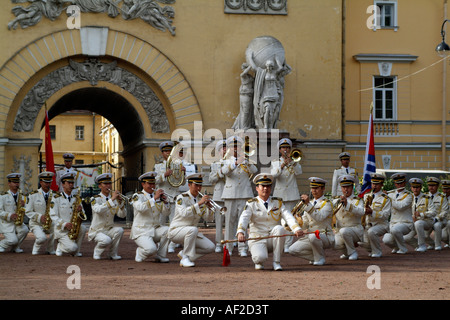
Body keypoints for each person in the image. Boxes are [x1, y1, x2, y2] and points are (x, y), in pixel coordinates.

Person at [237, 173, 302, 270]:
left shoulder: (277, 202)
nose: (265, 189)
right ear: (257, 188)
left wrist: (296, 228)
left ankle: (276, 262)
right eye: (263, 186)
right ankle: (260, 260)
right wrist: (241, 232)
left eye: (268, 186)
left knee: (280, 229)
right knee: (260, 258)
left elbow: (288, 216)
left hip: (272, 237)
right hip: (257, 238)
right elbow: (244, 218)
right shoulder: (251, 203)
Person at [168, 173, 215, 267]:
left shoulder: (199, 199)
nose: (198, 188)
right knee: (193, 229)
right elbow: (183, 213)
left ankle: (184, 254)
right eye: (196, 185)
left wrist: (209, 208)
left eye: (200, 185)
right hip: (176, 230)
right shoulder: (181, 197)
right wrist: (199, 204)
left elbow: (208, 219)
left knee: (210, 247)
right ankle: (185, 258)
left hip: (190, 232)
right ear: (189, 185)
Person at [221, 135, 258, 256]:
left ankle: (242, 248)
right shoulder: (225, 161)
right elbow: (224, 172)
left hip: (244, 194)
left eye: (237, 146)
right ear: (229, 148)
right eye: (232, 147)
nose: (235, 149)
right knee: (229, 222)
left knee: (243, 222)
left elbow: (254, 171)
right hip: (230, 194)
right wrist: (236, 162)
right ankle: (229, 246)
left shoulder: (246, 159)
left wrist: (247, 161)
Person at [288, 177, 334, 266]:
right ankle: (317, 257)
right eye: (312, 188)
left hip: (325, 235)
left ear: (323, 188)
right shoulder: (310, 203)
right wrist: (298, 223)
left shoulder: (327, 203)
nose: (314, 191)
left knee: (313, 236)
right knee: (292, 250)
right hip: (311, 235)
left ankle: (319, 258)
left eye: (316, 188)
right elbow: (305, 223)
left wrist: (308, 204)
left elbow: (319, 217)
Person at [270, 138, 302, 252]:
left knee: (291, 219)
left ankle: (287, 245)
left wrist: (293, 162)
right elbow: (274, 175)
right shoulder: (275, 162)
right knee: (279, 220)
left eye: (288, 148)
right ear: (279, 150)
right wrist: (283, 164)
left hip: (292, 194)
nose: (286, 150)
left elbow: (299, 172)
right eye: (283, 148)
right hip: (280, 194)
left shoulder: (294, 161)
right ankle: (279, 242)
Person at [130, 171, 170, 263]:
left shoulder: (157, 197)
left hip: (154, 229)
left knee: (168, 230)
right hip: (141, 231)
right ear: (143, 184)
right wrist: (154, 199)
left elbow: (166, 213)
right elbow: (141, 208)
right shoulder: (137, 196)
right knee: (151, 250)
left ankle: (160, 256)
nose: (152, 185)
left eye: (153, 183)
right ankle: (140, 252)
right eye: (149, 183)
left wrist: (166, 202)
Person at [88, 173, 127, 260]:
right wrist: (112, 199)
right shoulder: (95, 198)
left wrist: (121, 204)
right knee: (106, 240)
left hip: (108, 229)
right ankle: (97, 252)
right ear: (99, 186)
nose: (108, 186)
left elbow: (122, 215)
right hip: (97, 230)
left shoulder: (114, 199)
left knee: (120, 230)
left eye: (109, 183)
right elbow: (98, 210)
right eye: (105, 184)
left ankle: (112, 254)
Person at [154, 141, 182, 252]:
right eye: (166, 151)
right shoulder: (158, 166)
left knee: (174, 223)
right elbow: (154, 181)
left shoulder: (177, 165)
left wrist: (182, 173)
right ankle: (160, 244)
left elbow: (182, 183)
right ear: (162, 153)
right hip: (163, 197)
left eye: (170, 151)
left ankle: (171, 244)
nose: (168, 153)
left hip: (174, 196)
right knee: (160, 222)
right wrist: (163, 175)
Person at [50, 172, 86, 257]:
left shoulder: (76, 198)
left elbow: (83, 215)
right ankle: (60, 246)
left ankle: (76, 251)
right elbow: (53, 215)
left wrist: (80, 211)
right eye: (68, 183)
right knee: (72, 248)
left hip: (73, 228)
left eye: (72, 183)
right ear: (63, 184)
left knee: (83, 228)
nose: (71, 185)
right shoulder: (56, 198)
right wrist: (64, 224)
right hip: (61, 230)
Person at [358, 173, 391, 258]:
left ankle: (377, 251)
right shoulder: (366, 196)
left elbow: (386, 215)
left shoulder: (385, 198)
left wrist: (372, 212)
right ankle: (372, 249)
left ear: (381, 185)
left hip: (381, 224)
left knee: (372, 232)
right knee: (359, 241)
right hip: (368, 224)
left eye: (377, 184)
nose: (374, 186)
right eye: (373, 183)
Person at [25, 171, 58, 255]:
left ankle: (50, 249)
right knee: (42, 238)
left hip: (50, 222)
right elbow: (28, 211)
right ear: (41, 182)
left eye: (49, 182)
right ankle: (36, 248)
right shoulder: (33, 195)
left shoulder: (55, 195)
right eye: (46, 182)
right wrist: (40, 217)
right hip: (36, 223)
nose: (48, 184)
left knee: (57, 229)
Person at [332, 175, 364, 260]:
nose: (345, 189)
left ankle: (353, 252)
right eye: (343, 187)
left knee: (344, 231)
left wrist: (347, 204)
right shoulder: (336, 200)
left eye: (348, 187)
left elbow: (361, 212)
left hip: (355, 230)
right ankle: (346, 253)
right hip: (341, 230)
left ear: (352, 187)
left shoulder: (358, 200)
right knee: (332, 242)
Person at [382, 173, 416, 254]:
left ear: (405, 183)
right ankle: (396, 247)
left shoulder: (409, 195)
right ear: (395, 184)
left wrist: (388, 198)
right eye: (397, 183)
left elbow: (400, 206)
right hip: (393, 223)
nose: (399, 185)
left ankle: (403, 248)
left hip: (406, 223)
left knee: (395, 230)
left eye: (401, 183)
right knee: (386, 240)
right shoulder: (391, 194)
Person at [0, 173, 29, 253]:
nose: (17, 184)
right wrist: (10, 215)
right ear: (9, 183)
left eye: (17, 182)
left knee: (25, 230)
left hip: (17, 222)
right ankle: (1, 245)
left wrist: (24, 205)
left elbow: (27, 210)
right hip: (7, 223)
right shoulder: (3, 196)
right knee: (13, 240)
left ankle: (15, 247)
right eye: (14, 182)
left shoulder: (22, 196)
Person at [208, 140, 227, 252]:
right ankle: (219, 243)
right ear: (219, 151)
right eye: (223, 148)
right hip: (219, 194)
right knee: (219, 222)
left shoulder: (233, 162)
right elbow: (211, 179)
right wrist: (220, 172)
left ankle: (230, 241)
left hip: (231, 194)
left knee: (231, 221)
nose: (225, 150)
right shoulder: (215, 164)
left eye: (226, 148)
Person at [410, 178, 436, 252]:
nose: (415, 189)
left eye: (417, 187)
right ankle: (429, 244)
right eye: (413, 187)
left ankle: (422, 245)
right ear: (411, 188)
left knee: (418, 223)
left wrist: (421, 214)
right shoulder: (409, 197)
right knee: (406, 238)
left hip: (426, 221)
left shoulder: (427, 198)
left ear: (421, 187)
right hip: (413, 221)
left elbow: (433, 212)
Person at [425, 177, 449, 251]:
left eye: (433, 185)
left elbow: (444, 211)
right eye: (429, 185)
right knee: (424, 236)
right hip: (428, 220)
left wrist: (437, 218)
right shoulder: (424, 196)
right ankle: (432, 244)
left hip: (440, 220)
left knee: (438, 228)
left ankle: (438, 245)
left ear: (437, 186)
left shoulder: (442, 197)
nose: (431, 187)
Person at [440, 179, 450, 248]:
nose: (445, 191)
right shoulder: (440, 198)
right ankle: (448, 242)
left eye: (448, 189)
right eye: (444, 189)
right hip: (443, 219)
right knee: (442, 236)